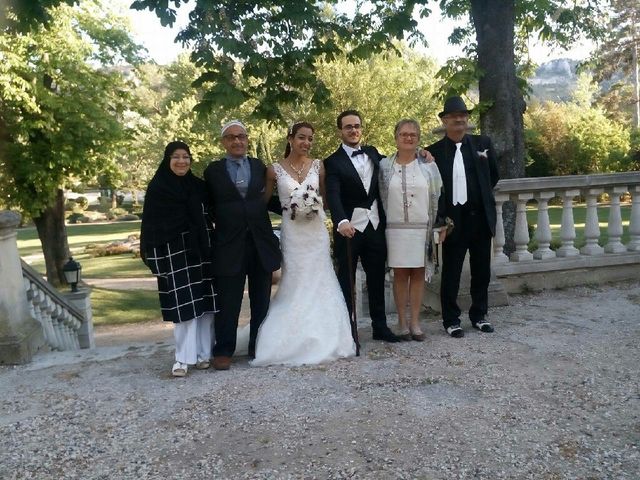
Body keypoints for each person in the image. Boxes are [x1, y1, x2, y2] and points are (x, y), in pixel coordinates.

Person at [251, 122, 356, 366]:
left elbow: (328, 202)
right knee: (295, 281)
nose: (306, 143)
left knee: (320, 280)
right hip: (292, 234)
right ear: (290, 138)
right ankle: (286, 340)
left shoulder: (319, 167)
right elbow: (265, 201)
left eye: (310, 139)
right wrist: (290, 207)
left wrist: (316, 205)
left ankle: (326, 335)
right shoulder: (273, 170)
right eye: (301, 138)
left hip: (316, 233)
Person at [203, 120, 281, 370]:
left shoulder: (260, 167)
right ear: (223, 142)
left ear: (247, 140)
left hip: (260, 243)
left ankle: (258, 346)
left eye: (241, 136)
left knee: (262, 300)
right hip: (229, 245)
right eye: (231, 137)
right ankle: (224, 349)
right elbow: (209, 206)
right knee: (228, 302)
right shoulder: (213, 171)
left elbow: (268, 199)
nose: (237, 141)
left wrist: (303, 208)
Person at [140, 141, 216, 377]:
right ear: (167, 159)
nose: (182, 161)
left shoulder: (199, 187)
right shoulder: (158, 189)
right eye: (176, 157)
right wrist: (156, 261)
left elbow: (211, 216)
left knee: (206, 307)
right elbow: (150, 229)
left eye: (186, 157)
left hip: (202, 252)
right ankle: (183, 359)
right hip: (174, 255)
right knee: (184, 308)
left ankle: (205, 355)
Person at [324, 110, 400, 343]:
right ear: (340, 131)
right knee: (346, 279)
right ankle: (348, 328)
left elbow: (398, 163)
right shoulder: (332, 162)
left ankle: (380, 326)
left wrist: (423, 154)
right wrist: (341, 221)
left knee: (377, 277)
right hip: (349, 229)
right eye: (348, 127)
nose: (353, 130)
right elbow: (333, 195)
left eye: (356, 126)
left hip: (375, 226)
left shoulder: (373, 153)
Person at [426, 96, 499, 338]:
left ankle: (479, 315)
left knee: (482, 271)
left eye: (463, 117)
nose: (459, 121)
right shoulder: (433, 152)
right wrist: (441, 221)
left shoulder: (483, 144)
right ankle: (451, 319)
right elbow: (432, 188)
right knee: (451, 272)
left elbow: (494, 176)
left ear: (467, 120)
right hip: (453, 222)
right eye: (453, 117)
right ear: (445, 121)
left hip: (479, 218)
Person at [378, 119, 442, 342]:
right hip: (394, 229)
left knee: (417, 273)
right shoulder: (385, 166)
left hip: (421, 227)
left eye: (413, 134)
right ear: (396, 138)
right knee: (399, 274)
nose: (408, 138)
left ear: (419, 138)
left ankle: (415, 322)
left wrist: (440, 225)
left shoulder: (429, 166)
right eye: (403, 134)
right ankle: (401, 322)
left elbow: (438, 197)